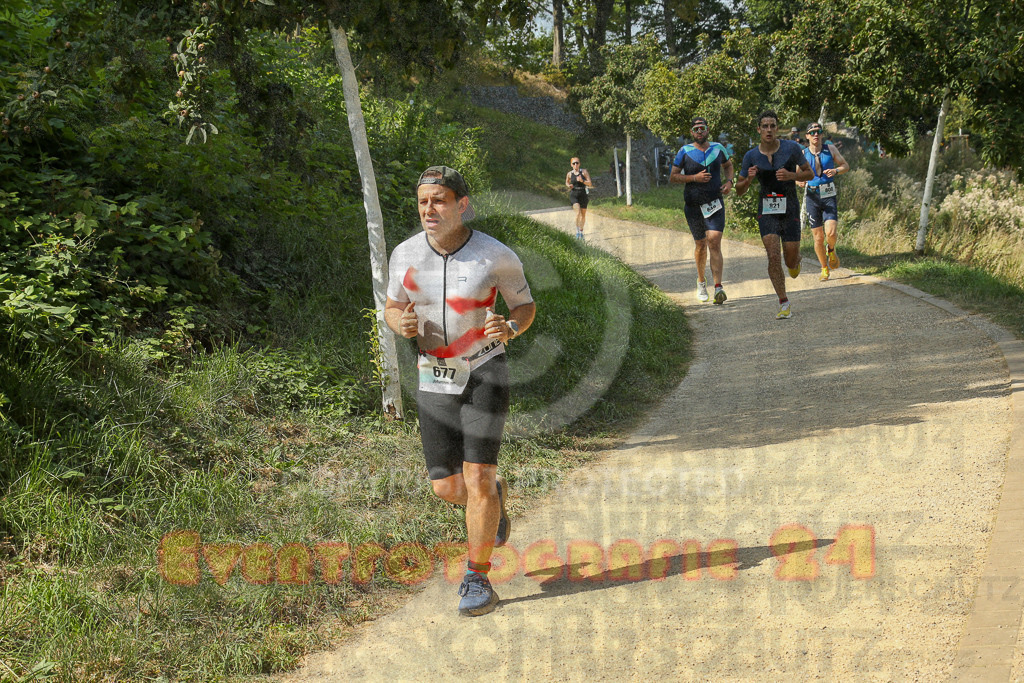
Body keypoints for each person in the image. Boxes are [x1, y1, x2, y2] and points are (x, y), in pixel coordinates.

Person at [385, 166, 536, 616]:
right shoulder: (404, 254)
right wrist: (401, 323)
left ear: (462, 205)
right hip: (433, 376)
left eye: (439, 201)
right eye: (423, 202)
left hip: (484, 373)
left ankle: (478, 576)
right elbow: (393, 307)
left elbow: (524, 306)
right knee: (447, 487)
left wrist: (509, 326)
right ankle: (493, 503)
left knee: (477, 478)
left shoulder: (495, 255)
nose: (429, 210)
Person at [735, 111, 814, 319]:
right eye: (765, 126)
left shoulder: (792, 148)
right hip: (767, 211)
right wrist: (749, 180)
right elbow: (739, 190)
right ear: (759, 129)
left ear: (777, 128)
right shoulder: (751, 156)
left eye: (772, 126)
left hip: (790, 210)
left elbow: (810, 173)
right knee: (772, 255)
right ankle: (784, 302)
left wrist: (792, 175)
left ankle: (796, 260)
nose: (769, 130)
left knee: (790, 260)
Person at [670, 117, 735, 305]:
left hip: (714, 203)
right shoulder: (684, 151)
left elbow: (728, 165)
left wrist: (729, 182)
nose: (700, 132)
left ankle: (718, 288)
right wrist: (694, 178)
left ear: (708, 130)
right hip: (693, 206)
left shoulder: (718, 148)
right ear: (692, 132)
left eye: (703, 128)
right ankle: (701, 282)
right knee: (700, 244)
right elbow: (673, 177)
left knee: (714, 241)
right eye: (696, 129)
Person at [797, 122, 850, 281]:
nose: (816, 135)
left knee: (831, 233)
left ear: (822, 134)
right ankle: (824, 268)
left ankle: (831, 249)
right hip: (812, 196)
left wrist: (836, 170)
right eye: (812, 132)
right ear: (807, 136)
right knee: (818, 237)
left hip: (828, 194)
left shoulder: (830, 149)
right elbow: (796, 175)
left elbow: (845, 165)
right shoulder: (803, 154)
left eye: (818, 132)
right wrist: (799, 182)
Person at [565, 157, 593, 239]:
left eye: (577, 163)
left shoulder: (584, 172)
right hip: (574, 194)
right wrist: (568, 185)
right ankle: (577, 232)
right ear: (571, 165)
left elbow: (590, 183)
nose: (575, 165)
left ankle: (581, 232)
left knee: (583, 215)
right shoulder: (569, 174)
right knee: (577, 213)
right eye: (574, 163)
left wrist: (582, 181)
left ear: (579, 164)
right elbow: (567, 181)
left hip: (583, 194)